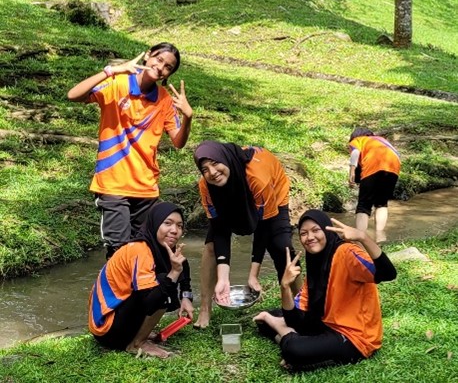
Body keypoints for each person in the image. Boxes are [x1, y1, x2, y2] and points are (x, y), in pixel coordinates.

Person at [67, 43, 193, 259]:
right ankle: (111, 291)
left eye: (168, 67)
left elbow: (178, 142)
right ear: (147, 56)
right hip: (113, 183)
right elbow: (74, 95)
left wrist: (188, 116)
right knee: (120, 251)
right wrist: (110, 71)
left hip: (146, 188)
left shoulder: (164, 100)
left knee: (145, 250)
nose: (161, 67)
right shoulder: (117, 83)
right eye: (159, 59)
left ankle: (140, 292)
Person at [253, 209, 397, 371]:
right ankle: (293, 342)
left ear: (327, 230)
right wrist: (285, 286)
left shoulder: (347, 252)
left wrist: (362, 237)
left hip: (355, 336)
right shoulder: (315, 261)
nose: (310, 237)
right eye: (304, 233)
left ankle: (286, 337)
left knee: (292, 348)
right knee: (265, 320)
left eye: (316, 230)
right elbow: (295, 317)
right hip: (327, 323)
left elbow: (388, 273)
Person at [192, 140, 301, 329]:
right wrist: (223, 278)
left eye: (215, 163)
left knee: (281, 246)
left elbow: (264, 227)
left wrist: (253, 275)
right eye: (205, 169)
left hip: (272, 191)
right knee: (210, 247)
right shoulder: (206, 186)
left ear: (225, 159)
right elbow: (219, 230)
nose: (212, 172)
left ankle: (302, 305)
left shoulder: (258, 177)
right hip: (230, 196)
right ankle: (204, 309)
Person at [88, 202, 194, 358]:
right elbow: (152, 300)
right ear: (155, 223)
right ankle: (137, 343)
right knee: (164, 282)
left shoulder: (159, 246)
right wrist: (173, 273)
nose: (174, 230)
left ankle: (138, 335)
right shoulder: (140, 249)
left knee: (167, 278)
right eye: (167, 223)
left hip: (118, 318)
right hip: (108, 331)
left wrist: (186, 296)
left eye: (179, 226)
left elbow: (183, 264)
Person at [348, 127, 401, 243]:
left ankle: (360, 240)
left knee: (363, 206)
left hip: (373, 165)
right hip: (394, 166)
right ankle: (380, 236)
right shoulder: (381, 140)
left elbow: (355, 153)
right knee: (381, 204)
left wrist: (352, 170)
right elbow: (398, 154)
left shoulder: (357, 140)